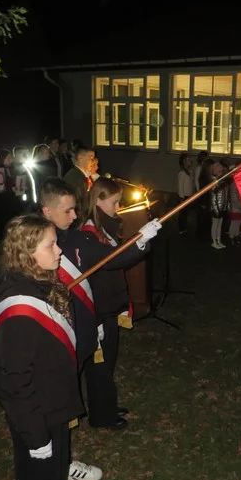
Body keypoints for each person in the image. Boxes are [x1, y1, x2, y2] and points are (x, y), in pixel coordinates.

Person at [0, 214, 87, 480]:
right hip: (37, 417)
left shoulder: (35, 282)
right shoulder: (19, 309)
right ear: (27, 253)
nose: (59, 251)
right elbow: (12, 383)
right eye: (51, 245)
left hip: (51, 405)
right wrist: (35, 438)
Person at [80, 178, 161, 429]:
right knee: (100, 365)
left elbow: (118, 255)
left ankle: (107, 404)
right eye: (114, 202)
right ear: (99, 200)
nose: (118, 207)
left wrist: (141, 239)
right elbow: (111, 261)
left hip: (110, 306)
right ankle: (101, 415)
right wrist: (139, 241)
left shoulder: (105, 227)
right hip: (99, 308)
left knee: (108, 361)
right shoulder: (89, 231)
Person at [176, 152, 195, 236]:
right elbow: (180, 187)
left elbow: (191, 183)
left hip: (189, 196)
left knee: (186, 213)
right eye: (188, 159)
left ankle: (184, 227)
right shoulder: (182, 173)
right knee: (182, 213)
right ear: (183, 161)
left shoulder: (190, 172)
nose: (190, 160)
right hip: (183, 197)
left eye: (190, 158)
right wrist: (181, 199)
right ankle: (181, 228)